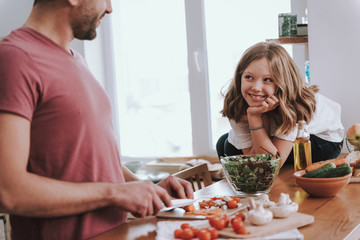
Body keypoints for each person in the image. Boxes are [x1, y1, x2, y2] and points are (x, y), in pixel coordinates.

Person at [0, 0, 193, 239]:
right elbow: (9, 191)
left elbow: (87, 157)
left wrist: (146, 188)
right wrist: (114, 193)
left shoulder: (76, 60)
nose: (110, 8)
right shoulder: (15, 57)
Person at [216, 42, 344, 166]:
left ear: (282, 83)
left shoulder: (294, 103)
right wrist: (257, 117)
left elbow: (269, 163)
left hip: (320, 138)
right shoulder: (236, 100)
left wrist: (255, 118)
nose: (256, 87)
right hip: (275, 131)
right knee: (225, 144)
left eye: (268, 80)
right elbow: (254, 158)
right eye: (249, 77)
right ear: (240, 77)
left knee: (255, 158)